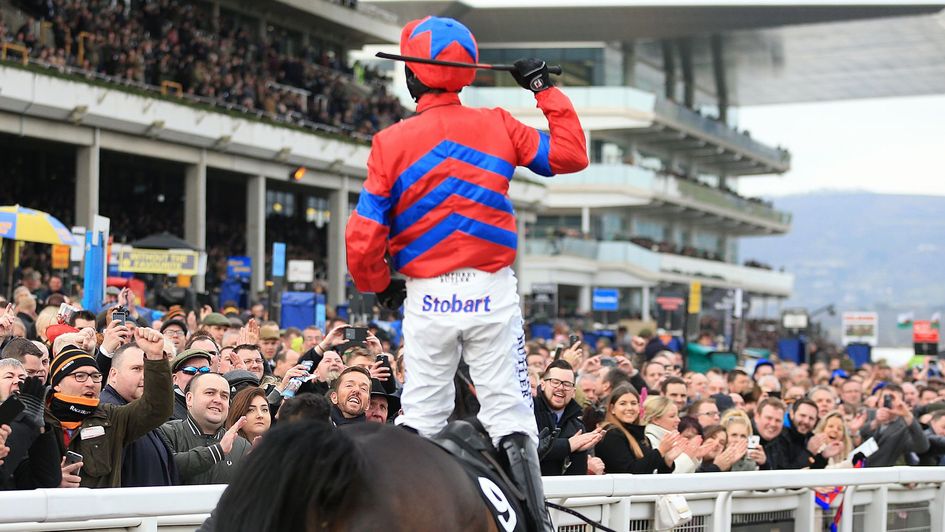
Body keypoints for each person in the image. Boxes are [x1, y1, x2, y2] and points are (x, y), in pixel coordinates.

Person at [345, 16, 588, 530]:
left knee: (421, 416)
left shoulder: (390, 141)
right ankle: (537, 525)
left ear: (412, 74)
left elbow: (362, 236)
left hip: (428, 296)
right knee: (510, 415)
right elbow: (571, 155)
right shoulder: (499, 123)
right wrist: (543, 89)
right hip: (492, 293)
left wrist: (379, 285)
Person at [46, 328, 174, 488]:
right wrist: (51, 480)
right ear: (57, 384)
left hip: (101, 505)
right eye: (80, 376)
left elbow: (156, 407)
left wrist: (155, 358)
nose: (90, 383)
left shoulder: (110, 418)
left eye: (95, 376)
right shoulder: (38, 420)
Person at [99, 342, 178, 486]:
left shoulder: (135, 408)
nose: (145, 376)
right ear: (113, 374)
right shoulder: (107, 414)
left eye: (148, 369)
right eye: (136, 369)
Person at [159, 372, 251, 484]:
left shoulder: (242, 446)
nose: (218, 400)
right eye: (210, 393)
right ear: (189, 399)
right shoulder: (165, 433)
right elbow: (164, 467)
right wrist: (217, 451)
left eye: (224, 396)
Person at [595, 384, 684, 474]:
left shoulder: (640, 435)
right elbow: (629, 472)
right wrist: (660, 451)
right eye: (623, 403)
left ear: (639, 407)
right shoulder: (610, 434)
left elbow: (653, 474)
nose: (629, 408)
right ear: (612, 408)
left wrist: (668, 460)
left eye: (633, 403)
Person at [533, 360, 601, 476]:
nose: (561, 387)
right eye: (555, 382)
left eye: (567, 384)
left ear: (573, 392)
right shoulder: (529, 413)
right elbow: (527, 451)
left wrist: (577, 453)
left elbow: (577, 476)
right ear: (543, 384)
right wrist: (568, 445)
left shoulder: (577, 426)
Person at [0, 359, 60, 489]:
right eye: (9, 376)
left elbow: (47, 481)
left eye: (22, 377)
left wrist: (40, 429)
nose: (17, 381)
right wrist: (25, 422)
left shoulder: (28, 429)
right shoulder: (24, 428)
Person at [859, 384, 929, 467]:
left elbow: (922, 447)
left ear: (901, 402)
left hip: (887, 471)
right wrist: (876, 422)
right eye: (885, 397)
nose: (888, 401)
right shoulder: (867, 415)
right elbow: (857, 437)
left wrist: (907, 415)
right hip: (859, 469)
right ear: (878, 400)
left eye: (893, 399)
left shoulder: (904, 425)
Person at [169, 349, 213, 421]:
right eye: (190, 370)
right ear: (175, 379)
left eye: (204, 370)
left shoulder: (219, 401)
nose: (198, 375)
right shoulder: (166, 409)